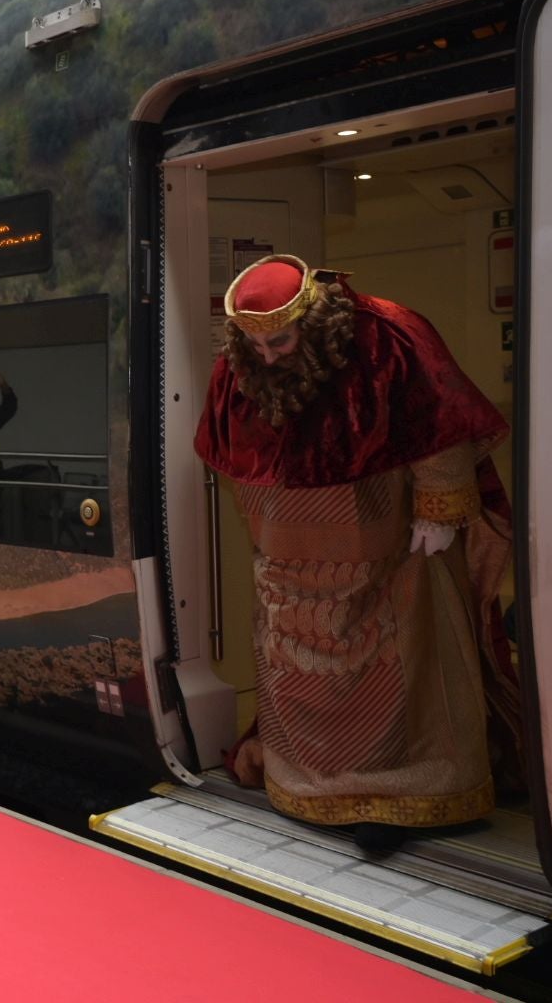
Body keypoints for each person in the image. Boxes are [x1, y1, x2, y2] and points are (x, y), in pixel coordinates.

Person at [195, 254, 522, 853]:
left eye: (282, 341)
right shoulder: (245, 358)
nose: (268, 356)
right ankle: (309, 786)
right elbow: (234, 447)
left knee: (403, 665)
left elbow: (439, 419)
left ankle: (410, 796)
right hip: (287, 563)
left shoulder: (388, 335)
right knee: (298, 669)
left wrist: (439, 505)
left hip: (391, 551)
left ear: (312, 320)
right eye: (256, 344)